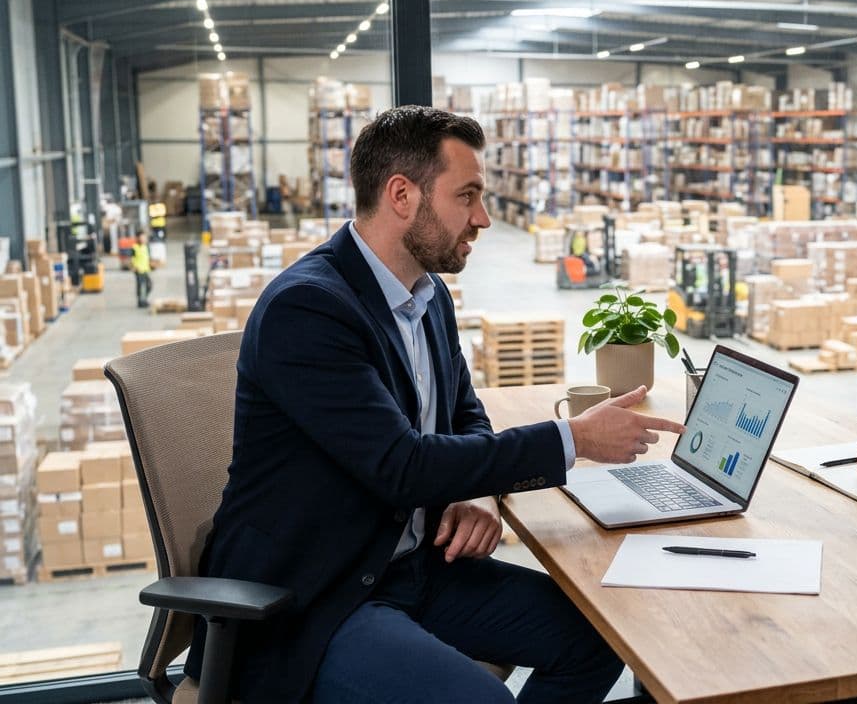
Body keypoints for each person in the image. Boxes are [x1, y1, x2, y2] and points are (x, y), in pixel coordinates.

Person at [185, 106, 686, 703]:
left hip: (410, 567)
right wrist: (571, 439)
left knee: (602, 636)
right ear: (402, 195)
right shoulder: (310, 309)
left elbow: (464, 416)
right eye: (467, 196)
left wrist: (474, 492)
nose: (484, 218)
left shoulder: (427, 295)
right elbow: (402, 466)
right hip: (319, 595)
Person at [130, 231, 151, 308]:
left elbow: (147, 257)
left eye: (144, 237)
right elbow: (132, 259)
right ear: (138, 238)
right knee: (141, 286)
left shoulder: (145, 246)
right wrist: (134, 267)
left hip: (145, 269)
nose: (144, 239)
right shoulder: (135, 247)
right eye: (142, 237)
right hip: (138, 270)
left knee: (149, 285)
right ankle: (141, 302)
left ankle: (143, 299)